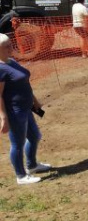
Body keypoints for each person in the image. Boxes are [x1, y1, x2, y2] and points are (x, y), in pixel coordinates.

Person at [0, 33, 51, 185]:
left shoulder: (12, 61)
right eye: (7, 46)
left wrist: (35, 102)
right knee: (17, 144)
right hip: (15, 112)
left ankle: (32, 165)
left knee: (34, 136)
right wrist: (3, 117)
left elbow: (25, 84)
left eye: (11, 44)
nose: (11, 48)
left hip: (26, 108)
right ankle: (21, 176)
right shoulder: (0, 69)